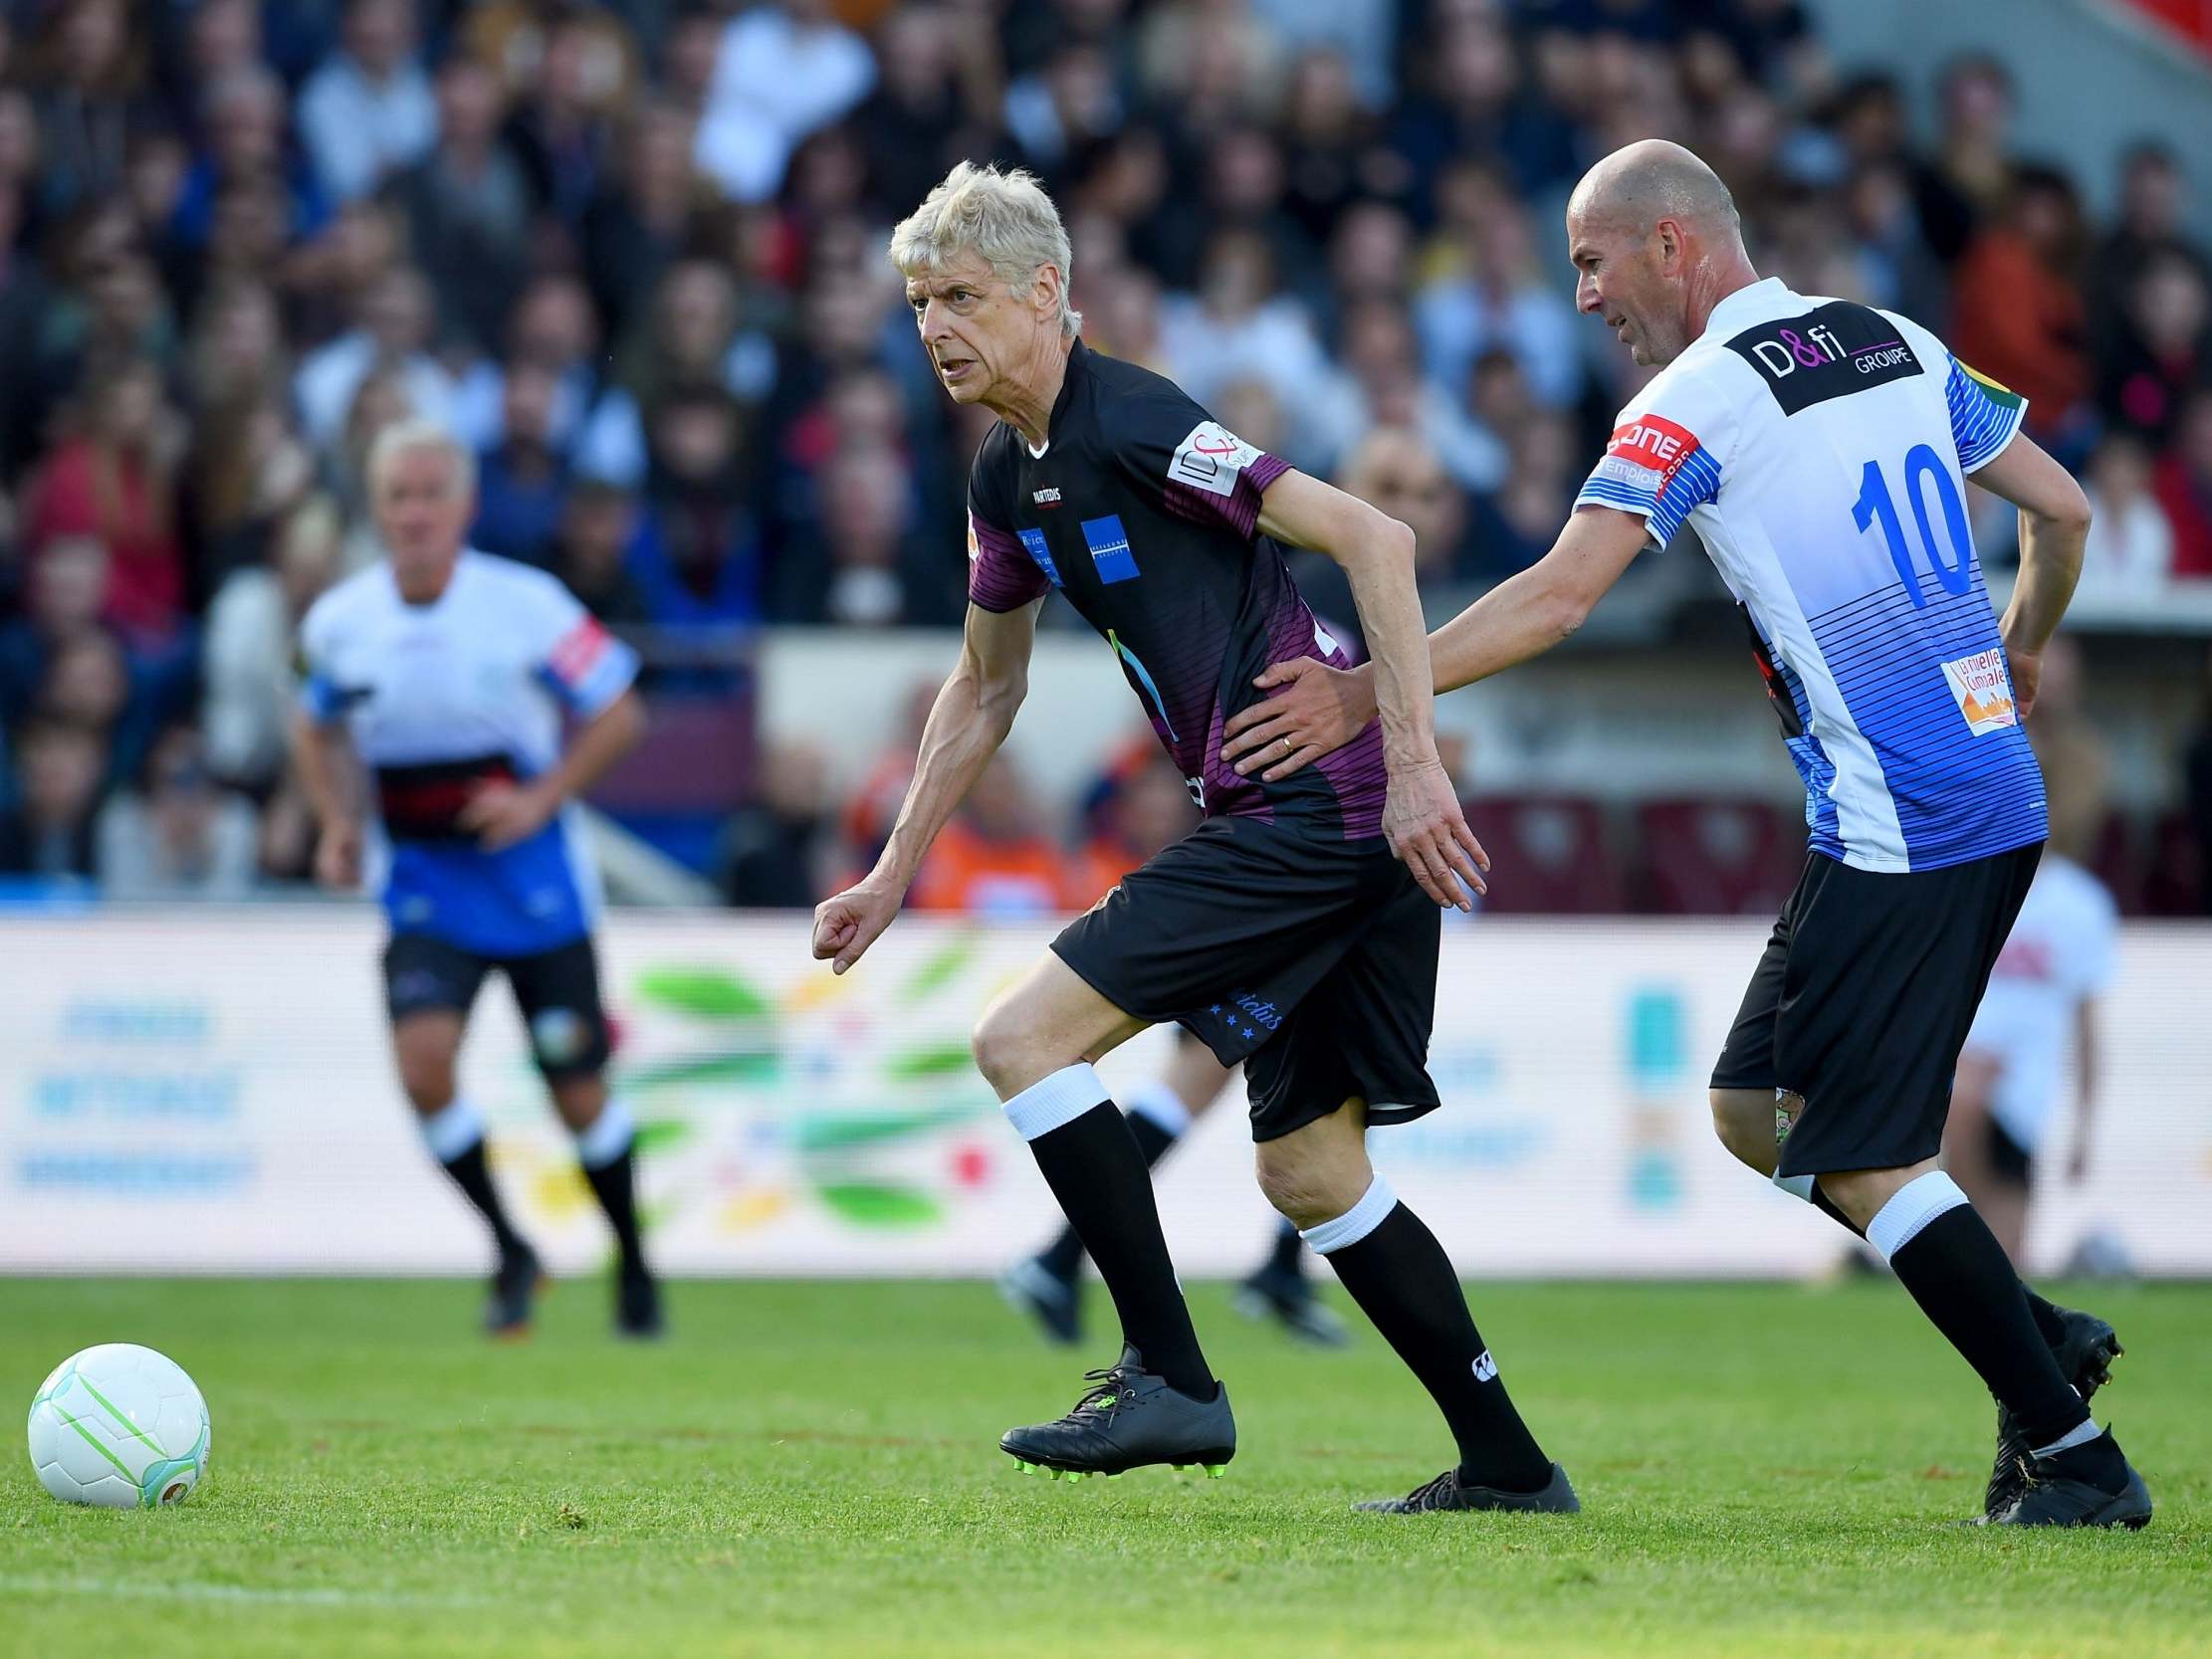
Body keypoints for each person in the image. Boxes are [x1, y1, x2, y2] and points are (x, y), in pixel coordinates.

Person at [1220, 140, 2147, 1530]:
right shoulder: (1889, 337)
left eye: (1592, 260)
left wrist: (1368, 685)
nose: (1582, 292)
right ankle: (2026, 1328)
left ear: (1673, 245)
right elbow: (2062, 511)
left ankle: (2073, 1452)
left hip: (1907, 812)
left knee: (1860, 1150)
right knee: (1745, 1105)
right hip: (1966, 791)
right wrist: (2014, 645)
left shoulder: (1693, 398)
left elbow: (1553, 599)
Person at [811, 162, 1574, 1514]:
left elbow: (1375, 537)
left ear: (1047, 292)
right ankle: (1509, 1463)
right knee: (1310, 1164)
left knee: (1021, 1038)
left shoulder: (1137, 419)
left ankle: (1169, 1374)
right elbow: (987, 685)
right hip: (1323, 822)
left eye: (963, 297)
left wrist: (1410, 772)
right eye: (920, 302)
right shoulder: (1006, 477)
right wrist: (890, 867)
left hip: (1322, 810)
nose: (935, 326)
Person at [291, 419, 661, 1341]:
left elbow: (620, 707)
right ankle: (510, 1246)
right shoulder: (341, 622)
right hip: (424, 882)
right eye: (397, 496)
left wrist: (541, 798)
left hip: (535, 884)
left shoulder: (525, 604)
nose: (414, 513)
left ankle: (634, 1261)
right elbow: (312, 719)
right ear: (376, 508)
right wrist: (338, 820)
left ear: (465, 505)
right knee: (424, 1069)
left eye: (430, 494)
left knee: (577, 1092)